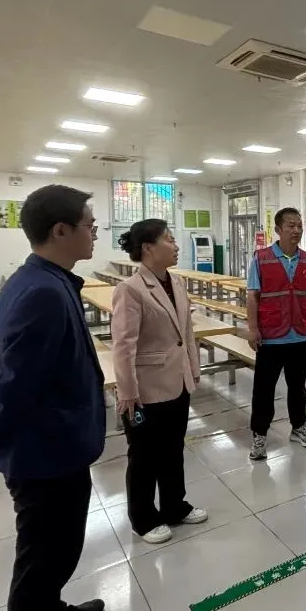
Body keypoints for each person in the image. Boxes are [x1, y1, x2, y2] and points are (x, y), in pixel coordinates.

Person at [0, 185, 108, 611]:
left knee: (58, 554)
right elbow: (16, 381)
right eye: (89, 224)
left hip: (57, 446)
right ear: (61, 231)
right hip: (45, 455)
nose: (95, 233)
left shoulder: (44, 280)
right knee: (41, 564)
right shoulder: (43, 292)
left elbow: (15, 369)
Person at [112, 220, 207, 545]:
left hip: (177, 381)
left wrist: (193, 368)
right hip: (145, 389)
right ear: (148, 248)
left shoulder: (176, 282)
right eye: (169, 240)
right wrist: (127, 391)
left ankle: (174, 506)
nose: (176, 245)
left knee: (173, 449)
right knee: (143, 456)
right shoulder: (131, 289)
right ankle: (142, 518)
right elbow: (123, 346)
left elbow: (187, 332)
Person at [246, 207, 306, 462]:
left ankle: (298, 427)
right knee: (263, 389)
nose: (296, 230)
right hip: (271, 334)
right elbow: (253, 296)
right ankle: (259, 435)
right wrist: (253, 328)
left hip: (299, 334)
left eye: (299, 226)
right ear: (278, 229)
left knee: (297, 387)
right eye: (291, 225)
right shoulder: (261, 258)